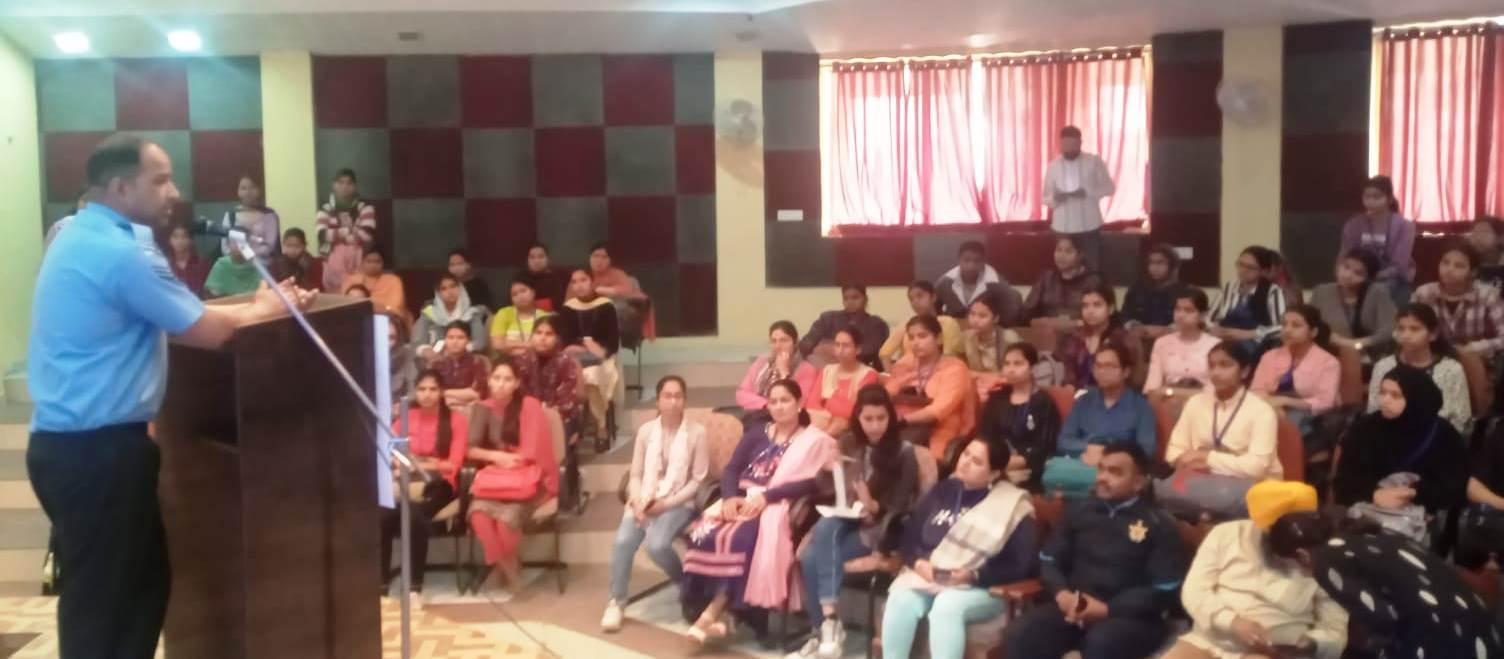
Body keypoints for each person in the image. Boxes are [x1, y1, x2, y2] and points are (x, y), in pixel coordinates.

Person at [28, 134, 315, 659]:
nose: (175, 192)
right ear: (120, 187)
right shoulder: (121, 253)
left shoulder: (73, 232)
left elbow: (179, 316)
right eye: (160, 180)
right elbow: (205, 330)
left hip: (68, 448)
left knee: (123, 593)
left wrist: (256, 307)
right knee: (111, 606)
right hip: (99, 453)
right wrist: (265, 310)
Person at [681, 379, 837, 646]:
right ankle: (727, 613)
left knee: (743, 539)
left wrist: (767, 497)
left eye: (785, 400)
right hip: (740, 500)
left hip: (775, 505)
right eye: (773, 401)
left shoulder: (813, 440)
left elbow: (813, 483)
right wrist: (729, 498)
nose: (779, 406)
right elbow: (732, 469)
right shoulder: (757, 433)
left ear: (799, 404)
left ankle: (713, 614)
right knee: (702, 533)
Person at [1002, 443, 1186, 659]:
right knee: (1020, 634)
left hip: (1130, 617)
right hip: (1073, 607)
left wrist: (1108, 610)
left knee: (1102, 643)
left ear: (1138, 482)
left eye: (1115, 472)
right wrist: (1061, 594)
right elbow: (1049, 560)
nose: (1103, 477)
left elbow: (1164, 588)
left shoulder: (1159, 523)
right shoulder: (1080, 510)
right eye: (1101, 469)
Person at [789, 385, 921, 659]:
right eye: (868, 419)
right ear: (858, 417)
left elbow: (901, 505)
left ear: (890, 417)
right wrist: (828, 469)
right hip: (843, 518)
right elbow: (825, 488)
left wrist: (873, 505)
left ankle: (825, 630)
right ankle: (827, 626)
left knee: (812, 557)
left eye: (881, 418)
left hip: (876, 527)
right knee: (822, 530)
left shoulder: (904, 451)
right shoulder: (849, 442)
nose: (875, 426)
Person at [878, 437, 1036, 659]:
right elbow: (910, 537)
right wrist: (918, 562)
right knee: (901, 598)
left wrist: (973, 576)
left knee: (947, 605)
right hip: (930, 578)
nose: (966, 462)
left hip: (982, 587)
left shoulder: (1011, 505)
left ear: (993, 473)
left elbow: (1019, 565)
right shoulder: (944, 490)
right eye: (966, 454)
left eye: (977, 461)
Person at [1164, 482, 1347, 659]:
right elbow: (1194, 591)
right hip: (1208, 641)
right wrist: (1232, 622)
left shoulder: (1324, 559)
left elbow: (1335, 628)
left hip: (1274, 652)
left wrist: (1309, 644)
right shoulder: (1225, 533)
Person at [602, 376, 710, 632]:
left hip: (679, 502)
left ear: (685, 400)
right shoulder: (646, 431)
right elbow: (636, 475)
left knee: (657, 545)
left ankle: (685, 583)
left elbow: (697, 481)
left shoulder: (697, 433)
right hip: (644, 499)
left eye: (678, 396)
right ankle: (616, 601)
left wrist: (666, 503)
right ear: (658, 400)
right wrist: (637, 501)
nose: (673, 402)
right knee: (623, 542)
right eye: (667, 396)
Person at [1312, 520, 1504, 659]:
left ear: (1302, 554)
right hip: (1480, 631)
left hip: (1442, 638)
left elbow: (1382, 618)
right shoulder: (1378, 536)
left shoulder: (1327, 558)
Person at [1334, 366, 1467, 545]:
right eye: (1383, 392)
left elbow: (1455, 487)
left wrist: (1413, 493)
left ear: (1416, 398)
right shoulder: (1365, 428)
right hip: (1367, 516)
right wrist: (1374, 493)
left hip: (1420, 520)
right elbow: (1343, 482)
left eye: (1395, 395)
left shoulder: (1443, 434)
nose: (1385, 400)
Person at [466, 359, 559, 600]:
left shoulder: (529, 405)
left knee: (505, 523)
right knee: (478, 516)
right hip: (496, 480)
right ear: (489, 380)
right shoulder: (482, 408)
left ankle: (505, 569)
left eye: (507, 379)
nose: (501, 384)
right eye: (496, 378)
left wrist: (513, 461)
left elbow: (533, 451)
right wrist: (496, 456)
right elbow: (470, 449)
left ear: (517, 383)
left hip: (529, 479)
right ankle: (510, 568)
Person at [1158, 341, 1283, 516]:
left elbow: (1256, 467)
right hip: (1201, 481)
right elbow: (1173, 452)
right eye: (1212, 366)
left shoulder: (1261, 411)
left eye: (1225, 365)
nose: (1216, 372)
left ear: (1244, 371)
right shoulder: (1195, 403)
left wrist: (1207, 458)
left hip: (1252, 487)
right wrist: (1188, 462)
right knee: (1158, 492)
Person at [382, 370, 469, 606]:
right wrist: (411, 462)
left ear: (441, 392)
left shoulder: (456, 420)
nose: (427, 394)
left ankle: (414, 588)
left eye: (432, 389)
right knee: (382, 515)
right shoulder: (405, 419)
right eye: (422, 389)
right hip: (406, 482)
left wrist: (419, 462)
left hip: (441, 484)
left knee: (414, 516)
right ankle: (380, 585)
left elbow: (453, 464)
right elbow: (392, 454)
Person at [1043, 344, 1157, 498]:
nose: (1102, 372)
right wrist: (1087, 448)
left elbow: (1146, 450)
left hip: (1118, 470)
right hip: (1083, 464)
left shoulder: (1140, 407)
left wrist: (1106, 455)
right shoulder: (1083, 401)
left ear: (1126, 372)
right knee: (1051, 475)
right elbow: (1064, 440)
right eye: (1098, 366)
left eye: (1109, 366)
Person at [885, 315, 977, 463]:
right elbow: (884, 396)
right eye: (911, 337)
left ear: (938, 339)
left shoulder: (955, 368)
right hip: (900, 429)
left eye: (922, 336)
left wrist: (902, 420)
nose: (916, 343)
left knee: (914, 462)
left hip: (940, 431)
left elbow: (938, 410)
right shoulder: (904, 366)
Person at [1367, 304, 1470, 434]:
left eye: (1414, 329)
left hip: (1436, 437)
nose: (1406, 335)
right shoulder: (1383, 366)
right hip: (1390, 434)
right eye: (1401, 329)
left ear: (1432, 334)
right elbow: (1374, 410)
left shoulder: (1451, 369)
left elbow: (1460, 418)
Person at [979, 343, 1062, 492]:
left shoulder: (1043, 402)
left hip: (1029, 469)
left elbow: (1045, 447)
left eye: (1018, 364)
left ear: (1032, 368)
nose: (1010, 369)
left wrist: (1014, 463)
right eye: (1007, 364)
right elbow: (985, 436)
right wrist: (996, 464)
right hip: (994, 465)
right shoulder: (996, 398)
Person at [1411, 241, 1504, 368]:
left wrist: (1473, 348)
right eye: (1445, 262)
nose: (1449, 269)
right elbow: (1406, 329)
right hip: (1434, 361)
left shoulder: (1487, 296)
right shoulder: (1423, 294)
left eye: (1459, 266)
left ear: (1473, 272)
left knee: (1469, 358)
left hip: (1480, 362)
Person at [1250, 305, 1340, 431]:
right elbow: (1256, 390)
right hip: (1270, 409)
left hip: (1312, 416)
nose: (1287, 330)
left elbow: (1325, 402)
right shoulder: (1270, 356)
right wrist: (1274, 406)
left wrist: (1285, 401)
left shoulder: (1328, 362)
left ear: (1313, 332)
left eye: (1296, 325)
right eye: (1284, 324)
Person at [557, 269, 621, 439]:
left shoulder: (606, 305)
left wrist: (596, 349)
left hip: (603, 358)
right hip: (576, 358)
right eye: (574, 282)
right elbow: (566, 342)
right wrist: (586, 347)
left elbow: (612, 342)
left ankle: (600, 424)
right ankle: (571, 426)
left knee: (591, 376)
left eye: (583, 280)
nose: (579, 285)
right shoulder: (568, 307)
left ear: (592, 282)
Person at [1041, 125, 1115, 269]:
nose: (1069, 149)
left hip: (1089, 227)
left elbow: (1110, 188)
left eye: (1073, 145)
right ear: (1060, 143)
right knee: (1064, 268)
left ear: (1080, 143)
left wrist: (1087, 192)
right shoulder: (1053, 166)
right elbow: (1045, 198)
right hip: (1062, 228)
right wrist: (1056, 199)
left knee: (1091, 267)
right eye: (1065, 145)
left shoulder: (1094, 162)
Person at [1339, 175, 1415, 306]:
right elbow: (1344, 256)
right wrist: (1346, 274)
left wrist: (1370, 277)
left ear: (1389, 199)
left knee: (1379, 291)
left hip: (1393, 280)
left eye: (1376, 197)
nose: (1370, 201)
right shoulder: (1353, 224)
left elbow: (1399, 265)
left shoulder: (1404, 226)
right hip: (1358, 276)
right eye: (1367, 197)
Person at [1310, 249, 1396, 359]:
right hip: (1326, 354)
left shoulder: (1377, 293)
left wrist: (1351, 343)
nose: (1347, 275)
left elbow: (1389, 330)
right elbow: (1309, 322)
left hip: (1365, 357)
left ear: (1368, 278)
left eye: (1358, 273)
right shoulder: (1322, 291)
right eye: (1346, 267)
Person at [1054, 284, 1135, 388]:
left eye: (1097, 305)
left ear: (1110, 309)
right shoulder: (1073, 338)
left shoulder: (1124, 340)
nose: (1090, 311)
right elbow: (1067, 378)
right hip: (1076, 395)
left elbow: (1133, 381)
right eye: (1085, 306)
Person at [1208, 246, 1288, 347]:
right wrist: (1213, 328)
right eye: (1240, 264)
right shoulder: (1229, 287)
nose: (1243, 270)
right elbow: (1210, 317)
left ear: (1263, 271)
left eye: (1250, 267)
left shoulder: (1272, 291)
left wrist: (1251, 334)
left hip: (1256, 346)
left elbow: (1282, 327)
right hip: (1224, 342)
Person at [737, 320, 820, 417]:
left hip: (785, 418)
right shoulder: (762, 362)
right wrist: (767, 405)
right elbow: (741, 394)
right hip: (756, 412)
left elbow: (797, 403)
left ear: (795, 343)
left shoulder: (806, 369)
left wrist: (784, 372)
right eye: (773, 341)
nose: (778, 346)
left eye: (784, 340)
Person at [806, 328, 879, 437]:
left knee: (841, 423)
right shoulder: (827, 370)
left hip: (849, 428)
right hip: (822, 422)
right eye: (837, 345)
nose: (840, 350)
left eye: (846, 346)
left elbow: (855, 410)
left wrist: (828, 403)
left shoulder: (868, 374)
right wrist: (831, 415)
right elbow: (811, 403)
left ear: (858, 349)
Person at [1143, 289, 1220, 393]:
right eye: (1177, 309)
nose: (1181, 315)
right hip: (1167, 399)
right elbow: (1152, 386)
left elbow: (1216, 389)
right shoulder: (1162, 343)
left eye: (1188, 310)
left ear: (1202, 315)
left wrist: (1179, 394)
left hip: (1204, 400)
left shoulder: (1215, 345)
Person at [1022, 236, 1105, 327]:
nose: (1061, 256)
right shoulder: (1046, 278)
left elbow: (1100, 317)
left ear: (1080, 255)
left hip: (1083, 331)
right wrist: (1042, 322)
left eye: (1068, 251)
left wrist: (1072, 324)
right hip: (1047, 331)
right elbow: (1026, 313)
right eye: (1058, 250)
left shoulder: (1093, 281)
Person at [316, 168, 376, 292]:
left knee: (357, 294)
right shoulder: (325, 209)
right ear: (334, 185)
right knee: (335, 299)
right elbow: (322, 235)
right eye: (341, 182)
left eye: (349, 183)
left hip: (358, 262)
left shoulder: (365, 208)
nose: (345, 187)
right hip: (332, 265)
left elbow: (368, 235)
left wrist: (338, 234)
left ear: (355, 186)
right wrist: (349, 231)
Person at [797, 285, 889, 367]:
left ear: (865, 299)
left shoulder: (876, 323)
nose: (850, 302)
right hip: (820, 364)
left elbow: (872, 349)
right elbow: (806, 343)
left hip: (857, 368)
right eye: (846, 298)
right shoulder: (829, 318)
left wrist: (837, 350)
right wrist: (817, 349)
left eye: (855, 298)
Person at [934, 241, 1022, 325]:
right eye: (966, 260)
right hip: (954, 327)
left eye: (977, 261)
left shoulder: (997, 284)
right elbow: (933, 307)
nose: (971, 266)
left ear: (983, 262)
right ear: (959, 260)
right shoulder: (945, 282)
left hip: (987, 329)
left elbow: (1011, 313)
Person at [879, 281, 965, 367]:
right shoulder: (907, 324)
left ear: (933, 298)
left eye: (920, 296)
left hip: (943, 370)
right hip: (908, 371)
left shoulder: (946, 322)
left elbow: (949, 354)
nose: (915, 302)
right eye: (911, 299)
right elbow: (884, 353)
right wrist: (891, 373)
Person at [589, 243, 656, 342]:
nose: (599, 260)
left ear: (610, 261)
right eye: (595, 256)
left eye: (604, 257)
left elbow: (627, 290)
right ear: (589, 258)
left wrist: (603, 290)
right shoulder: (582, 276)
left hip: (619, 317)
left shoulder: (617, 274)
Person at [961, 296, 1025, 398]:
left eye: (982, 316)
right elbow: (958, 369)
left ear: (996, 318)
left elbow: (1019, 371)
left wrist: (985, 376)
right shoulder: (966, 337)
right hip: (977, 387)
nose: (975, 320)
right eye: (972, 314)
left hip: (1006, 387)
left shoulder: (1009, 338)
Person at [412, 274, 488, 359]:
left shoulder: (472, 313)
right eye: (444, 289)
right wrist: (426, 351)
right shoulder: (429, 313)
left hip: (464, 358)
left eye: (453, 286)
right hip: (434, 358)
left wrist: (456, 350)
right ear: (438, 293)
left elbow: (480, 343)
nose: (449, 292)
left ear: (460, 288)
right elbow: (417, 343)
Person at [1122, 243, 1190, 332]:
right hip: (1140, 337)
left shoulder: (1187, 292)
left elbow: (1191, 321)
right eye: (1151, 263)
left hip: (1174, 337)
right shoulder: (1136, 290)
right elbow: (1125, 316)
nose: (1154, 267)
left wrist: (1166, 330)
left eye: (1160, 263)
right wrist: (1134, 326)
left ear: (1174, 266)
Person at [219, 174, 280, 263]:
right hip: (235, 265)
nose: (248, 192)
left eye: (253, 187)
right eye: (243, 188)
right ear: (238, 191)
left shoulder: (269, 215)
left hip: (263, 265)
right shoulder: (230, 215)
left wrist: (246, 254)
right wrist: (236, 255)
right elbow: (225, 247)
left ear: (260, 189)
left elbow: (269, 246)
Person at [430, 321, 489, 407]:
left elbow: (477, 394)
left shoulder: (477, 362)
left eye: (460, 338)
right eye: (451, 337)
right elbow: (432, 392)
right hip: (442, 408)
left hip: (470, 408)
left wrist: (444, 393)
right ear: (445, 340)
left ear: (468, 340)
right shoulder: (436, 364)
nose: (455, 342)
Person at [342, 250, 409, 326]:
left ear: (383, 263)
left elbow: (394, 308)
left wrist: (373, 310)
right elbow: (344, 305)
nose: (373, 265)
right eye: (369, 261)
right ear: (362, 262)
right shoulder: (351, 280)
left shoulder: (393, 280)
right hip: (356, 320)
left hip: (386, 320)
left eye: (377, 261)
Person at [490, 279, 553, 357]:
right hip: (507, 359)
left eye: (523, 291)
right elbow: (498, 345)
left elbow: (547, 347)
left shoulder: (545, 316)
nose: (520, 296)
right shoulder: (504, 313)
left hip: (538, 359)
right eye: (514, 294)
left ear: (533, 292)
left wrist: (508, 344)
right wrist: (528, 345)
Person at [516, 242, 569, 312]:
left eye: (541, 257)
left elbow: (559, 303)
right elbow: (517, 303)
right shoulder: (520, 278)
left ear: (548, 259)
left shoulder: (559, 275)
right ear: (527, 260)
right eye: (532, 257)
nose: (536, 261)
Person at [162, 222, 208, 298]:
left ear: (191, 240)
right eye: (175, 237)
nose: (179, 241)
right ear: (169, 240)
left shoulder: (202, 264)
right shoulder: (164, 265)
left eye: (184, 236)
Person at [269, 227, 323, 292]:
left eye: (297, 246)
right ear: (283, 245)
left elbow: (316, 288)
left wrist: (305, 271)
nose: (292, 250)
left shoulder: (314, 263)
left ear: (304, 246)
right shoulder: (276, 264)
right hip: (284, 295)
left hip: (307, 295)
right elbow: (273, 286)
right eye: (288, 246)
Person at [42, 187, 91, 252]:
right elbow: (48, 253)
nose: (88, 205)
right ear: (78, 201)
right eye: (85, 200)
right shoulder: (61, 225)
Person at [387, 312, 418, 405]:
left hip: (400, 408)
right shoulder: (365, 355)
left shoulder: (407, 353)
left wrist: (402, 404)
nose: (386, 343)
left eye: (391, 338)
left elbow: (414, 391)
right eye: (381, 337)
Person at [1467, 215, 1504, 291]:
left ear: (1500, 238)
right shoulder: (1466, 261)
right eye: (1474, 232)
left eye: (1484, 232)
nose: (1478, 237)